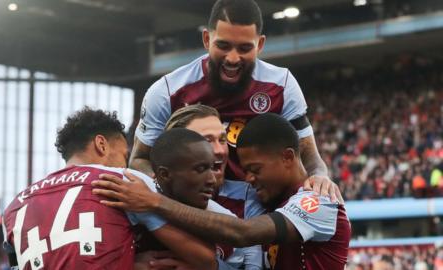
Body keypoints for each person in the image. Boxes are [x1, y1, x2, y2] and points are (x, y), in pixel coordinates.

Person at [130, 0, 341, 202]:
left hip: (261, 208)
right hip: (191, 209)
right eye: (223, 45)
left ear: (260, 45)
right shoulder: (166, 91)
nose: (232, 58)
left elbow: (309, 156)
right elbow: (139, 159)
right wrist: (167, 196)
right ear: (206, 40)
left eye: (244, 48)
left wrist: (320, 176)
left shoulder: (282, 86)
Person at [93, 113, 351, 270]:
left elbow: (242, 233)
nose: (248, 178)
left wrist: (154, 203)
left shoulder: (319, 201)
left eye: (255, 169)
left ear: (287, 158)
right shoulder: (271, 204)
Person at [2, 108, 216, 270]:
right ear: (101, 145)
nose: (126, 165)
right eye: (124, 156)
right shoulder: (121, 181)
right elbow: (205, 259)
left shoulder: (14, 205)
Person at [162, 104, 263, 269]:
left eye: (222, 140)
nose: (220, 150)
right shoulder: (142, 197)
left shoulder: (248, 198)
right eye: (206, 140)